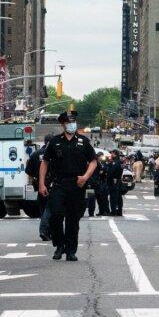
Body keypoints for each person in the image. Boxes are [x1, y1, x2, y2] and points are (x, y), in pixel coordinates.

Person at [38, 111, 97, 262]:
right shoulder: (55, 141)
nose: (72, 124)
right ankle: (59, 245)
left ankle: (71, 250)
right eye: (69, 122)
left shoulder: (83, 141)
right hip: (59, 184)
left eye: (73, 121)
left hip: (77, 184)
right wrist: (41, 183)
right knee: (56, 215)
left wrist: (85, 177)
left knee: (73, 219)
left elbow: (93, 161)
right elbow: (45, 162)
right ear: (63, 124)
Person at [26, 134, 52, 238]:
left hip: (39, 184)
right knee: (50, 209)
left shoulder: (35, 154)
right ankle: (45, 231)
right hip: (51, 183)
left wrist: (36, 179)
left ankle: (46, 231)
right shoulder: (53, 153)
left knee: (43, 208)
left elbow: (28, 171)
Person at [106, 150, 124, 216]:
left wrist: (107, 175)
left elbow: (111, 172)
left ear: (115, 154)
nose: (111, 154)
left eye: (112, 153)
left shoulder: (115, 162)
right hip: (118, 180)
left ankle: (113, 211)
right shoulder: (120, 162)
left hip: (114, 181)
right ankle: (119, 211)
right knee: (119, 197)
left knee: (113, 197)